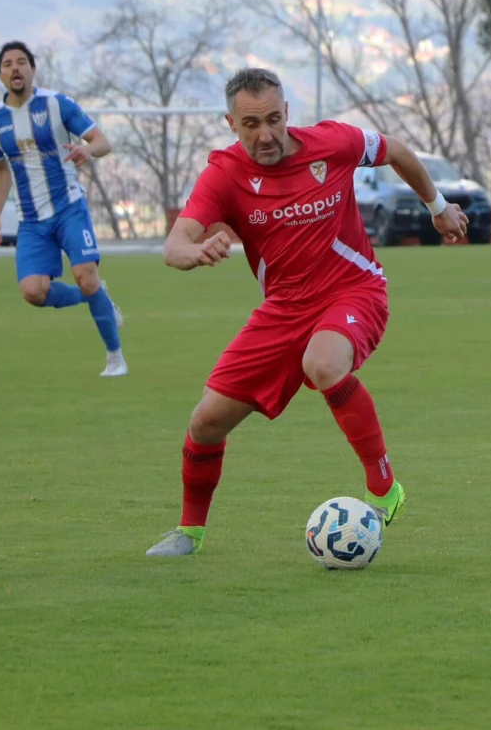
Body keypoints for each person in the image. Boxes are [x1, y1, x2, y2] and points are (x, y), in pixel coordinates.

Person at [145, 67, 468, 557]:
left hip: (353, 290)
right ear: (231, 124)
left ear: (287, 113)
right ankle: (189, 533)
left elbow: (396, 150)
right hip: (284, 311)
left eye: (274, 119)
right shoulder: (225, 174)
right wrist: (190, 253)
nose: (266, 134)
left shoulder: (332, 144)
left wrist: (437, 204)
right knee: (206, 422)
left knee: (323, 364)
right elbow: (175, 243)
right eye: (251, 124)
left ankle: (384, 487)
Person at [0, 40, 127, 378]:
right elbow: (1, 169)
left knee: (85, 275)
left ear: (33, 69)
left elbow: (103, 142)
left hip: (68, 208)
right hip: (31, 220)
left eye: (22, 62)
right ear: (0, 75)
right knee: (33, 292)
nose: (15, 68)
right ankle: (97, 297)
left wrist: (86, 152)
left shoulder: (57, 105)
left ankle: (115, 356)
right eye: (7, 64)